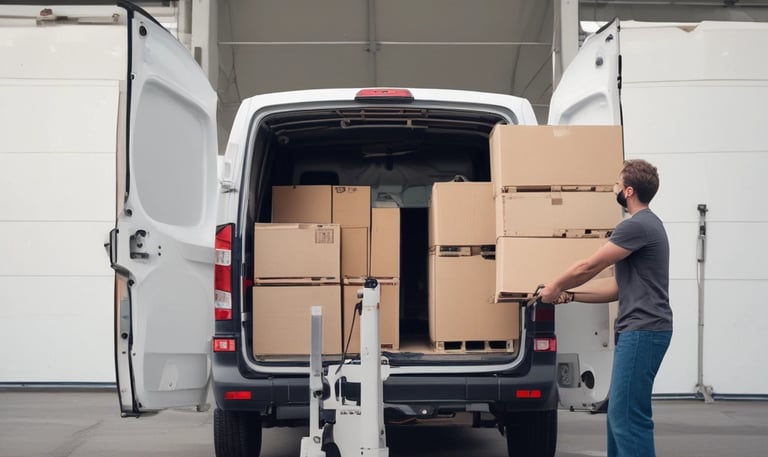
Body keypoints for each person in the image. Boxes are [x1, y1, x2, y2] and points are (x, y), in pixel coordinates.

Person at [538, 159, 672, 457]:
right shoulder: (646, 227)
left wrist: (554, 286)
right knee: (619, 417)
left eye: (616, 183)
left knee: (628, 418)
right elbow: (616, 288)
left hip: (643, 331)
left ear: (628, 191)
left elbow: (590, 265)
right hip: (641, 331)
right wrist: (570, 296)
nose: (613, 188)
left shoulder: (637, 226)